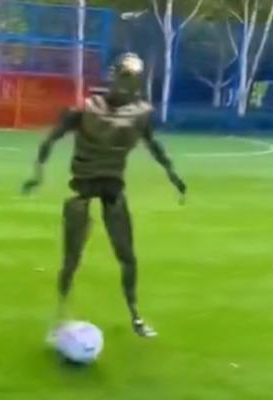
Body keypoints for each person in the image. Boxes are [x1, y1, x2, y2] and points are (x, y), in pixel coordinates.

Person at [21, 52, 186, 339]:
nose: (127, 85)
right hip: (82, 189)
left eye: (132, 79)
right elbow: (51, 140)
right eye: (124, 77)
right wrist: (37, 174)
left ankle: (135, 315)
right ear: (114, 76)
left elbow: (154, 146)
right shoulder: (86, 108)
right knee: (71, 259)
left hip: (113, 190)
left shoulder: (139, 115)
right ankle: (60, 314)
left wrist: (172, 174)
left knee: (127, 257)